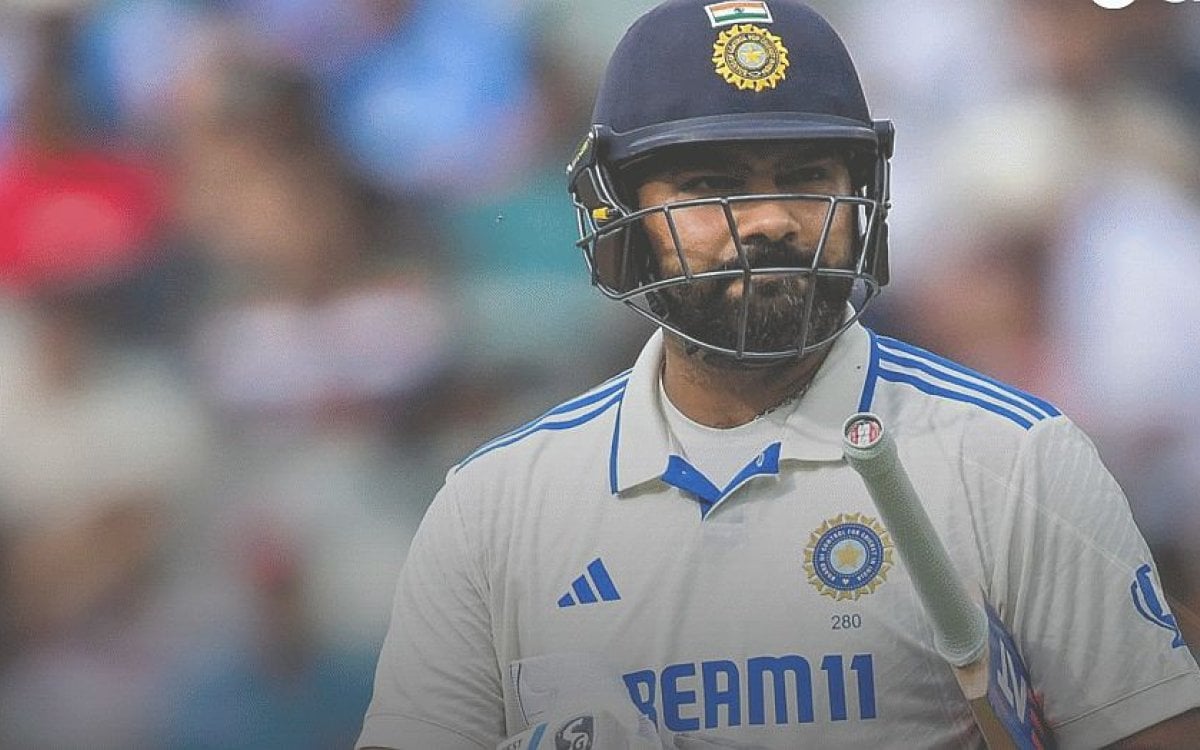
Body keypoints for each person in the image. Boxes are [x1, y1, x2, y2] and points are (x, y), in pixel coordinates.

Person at [357, 2, 1200, 748]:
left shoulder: (1018, 459)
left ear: (863, 195)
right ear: (621, 216)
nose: (768, 220)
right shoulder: (493, 508)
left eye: (805, 177)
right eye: (709, 183)